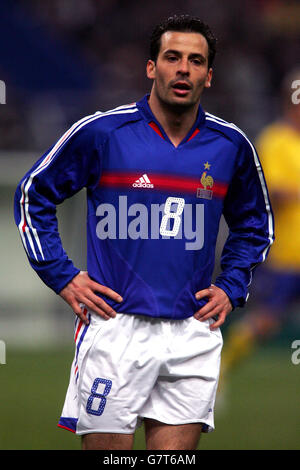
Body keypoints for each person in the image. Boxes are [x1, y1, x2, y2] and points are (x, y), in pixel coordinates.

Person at [14, 14, 274, 450]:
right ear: (151, 67)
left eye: (195, 61)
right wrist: (61, 274)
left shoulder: (230, 146)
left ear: (208, 76)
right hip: (115, 328)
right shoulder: (103, 133)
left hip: (193, 330)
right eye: (172, 57)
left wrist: (231, 286)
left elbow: (255, 225)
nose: (183, 69)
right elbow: (31, 195)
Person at [219, 68, 300, 385]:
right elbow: (271, 192)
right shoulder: (275, 140)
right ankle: (220, 372)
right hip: (285, 253)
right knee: (266, 321)